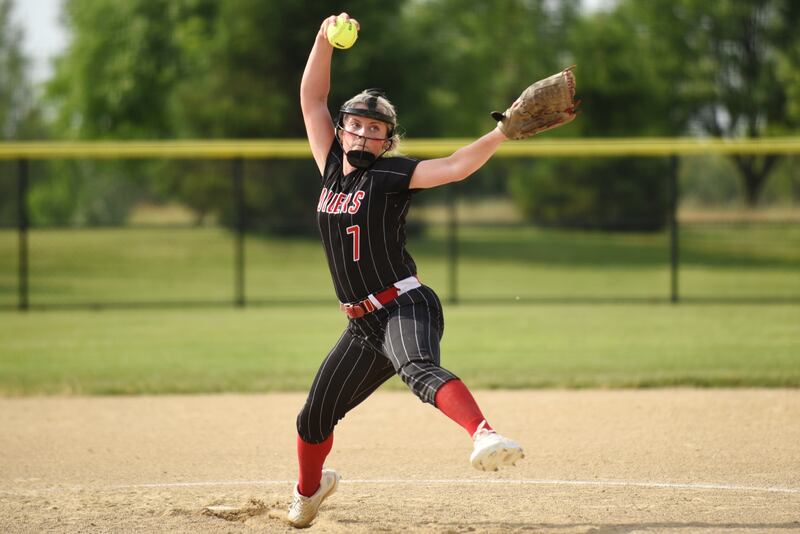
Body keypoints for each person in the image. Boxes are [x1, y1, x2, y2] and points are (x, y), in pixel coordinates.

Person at [288, 12, 524, 528]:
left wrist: (501, 133)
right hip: (361, 324)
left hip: (404, 303)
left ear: (386, 141)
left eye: (376, 130)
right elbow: (311, 98)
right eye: (357, 124)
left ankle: (483, 434)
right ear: (344, 128)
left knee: (416, 369)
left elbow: (457, 165)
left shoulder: (395, 175)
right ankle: (309, 492)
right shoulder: (330, 161)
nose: (364, 134)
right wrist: (323, 37)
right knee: (312, 420)